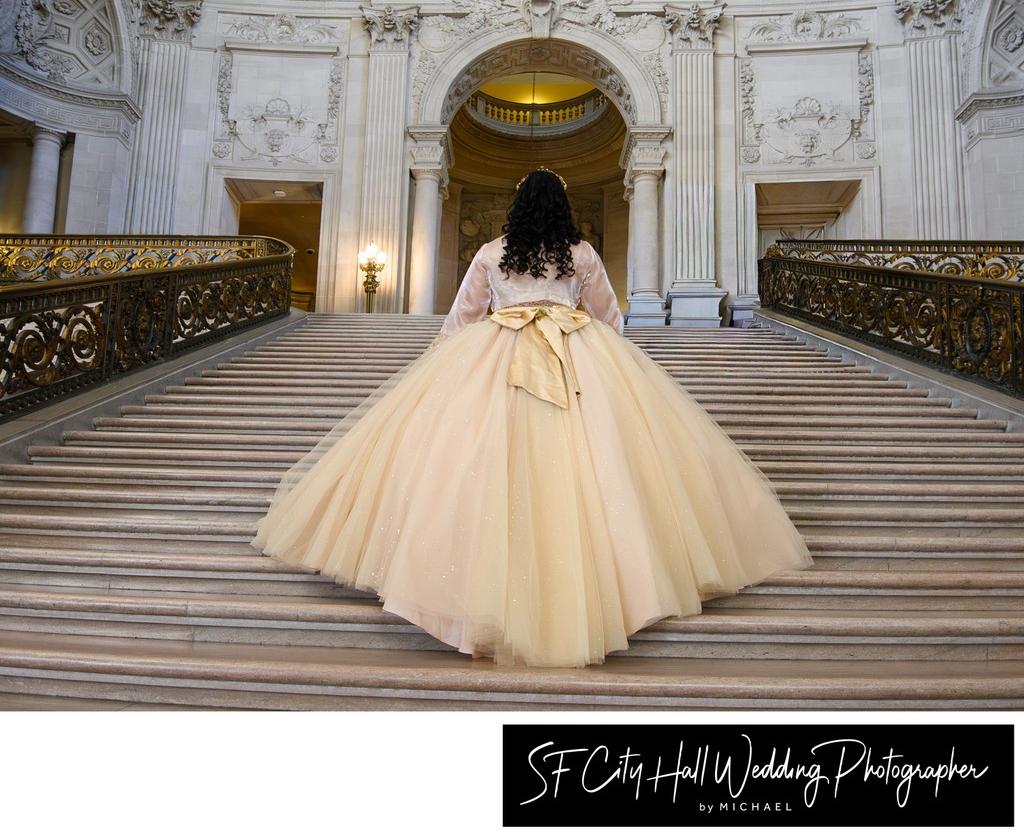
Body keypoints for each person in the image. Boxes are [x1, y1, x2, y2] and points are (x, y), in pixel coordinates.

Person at [253, 169, 811, 667]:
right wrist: (613, 368)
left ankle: (471, 604)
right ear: (562, 209)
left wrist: (435, 378)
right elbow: (612, 320)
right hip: (578, 357)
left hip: (496, 355)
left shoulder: (492, 253)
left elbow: (459, 322)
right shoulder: (583, 255)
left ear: (517, 209)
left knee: (477, 467)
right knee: (597, 469)